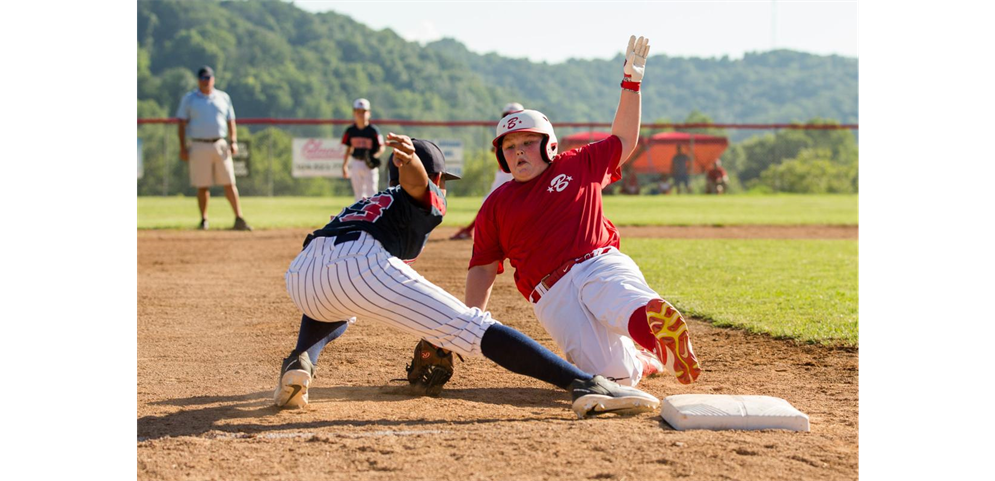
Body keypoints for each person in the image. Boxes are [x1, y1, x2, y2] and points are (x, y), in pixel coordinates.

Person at [273, 134, 660, 419]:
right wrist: (412, 164)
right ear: (437, 177)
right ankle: (583, 384)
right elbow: (416, 184)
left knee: (332, 303)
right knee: (470, 326)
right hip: (360, 262)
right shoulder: (422, 193)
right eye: (443, 180)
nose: (443, 187)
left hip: (303, 270)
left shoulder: (365, 201)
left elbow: (337, 269)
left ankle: (300, 360)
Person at [464, 36, 701, 388]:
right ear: (502, 157)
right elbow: (483, 268)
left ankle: (658, 335)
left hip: (596, 262)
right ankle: (643, 361)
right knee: (612, 378)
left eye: (528, 142)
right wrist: (467, 320)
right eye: (510, 147)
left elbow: (623, 140)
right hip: (551, 295)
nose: (518, 152)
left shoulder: (577, 164)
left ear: (549, 144)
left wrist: (631, 84)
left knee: (617, 295)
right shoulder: (496, 205)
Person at [176, 66, 251, 231]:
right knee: (202, 185)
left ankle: (239, 218)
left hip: (220, 144)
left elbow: (231, 121)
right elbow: (181, 123)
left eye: (208, 78)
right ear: (198, 80)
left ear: (213, 79)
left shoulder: (223, 97)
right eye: (203, 78)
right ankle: (204, 220)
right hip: (198, 144)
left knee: (230, 182)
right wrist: (182, 147)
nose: (206, 81)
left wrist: (233, 141)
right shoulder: (189, 99)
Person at [450, 102, 522, 240]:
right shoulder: (510, 131)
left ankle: (470, 230)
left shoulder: (514, 131)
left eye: (512, 115)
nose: (510, 119)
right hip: (507, 172)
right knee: (500, 204)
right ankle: (472, 230)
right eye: (507, 116)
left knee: (489, 202)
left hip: (508, 173)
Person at [341, 98, 385, 201]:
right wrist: (345, 165)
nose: (361, 114)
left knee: (372, 193)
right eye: (358, 111)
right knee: (358, 193)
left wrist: (374, 156)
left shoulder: (373, 130)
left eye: (363, 111)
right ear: (354, 113)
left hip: (369, 164)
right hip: (356, 162)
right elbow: (348, 148)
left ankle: (372, 215)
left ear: (369, 113)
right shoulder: (351, 130)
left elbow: (381, 147)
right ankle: (360, 216)